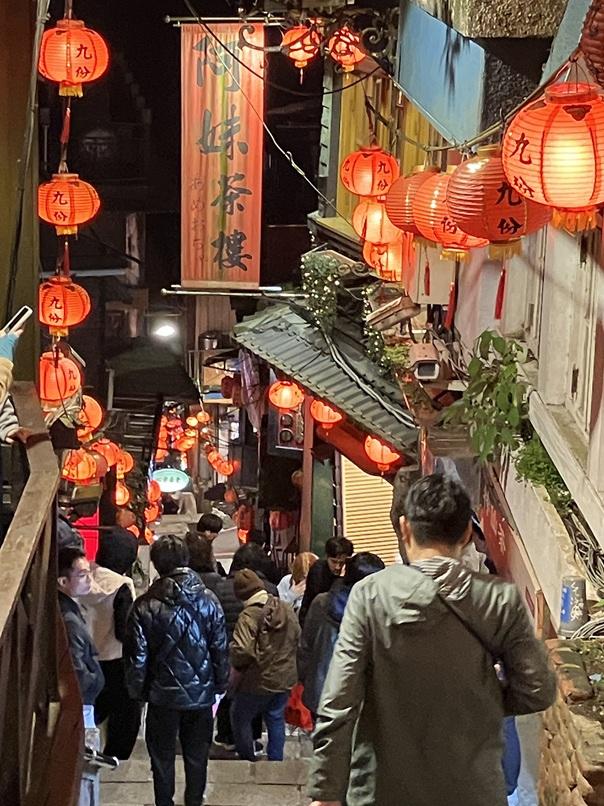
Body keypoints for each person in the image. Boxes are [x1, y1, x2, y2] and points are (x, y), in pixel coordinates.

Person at [307, 474, 557, 806]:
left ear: (405, 528)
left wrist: (326, 791)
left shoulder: (370, 596)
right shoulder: (499, 599)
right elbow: (538, 689)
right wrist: (479, 697)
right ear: (466, 534)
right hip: (472, 790)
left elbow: (339, 702)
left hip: (382, 789)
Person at [124, 535, 229, 806]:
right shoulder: (209, 601)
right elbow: (219, 648)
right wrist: (220, 684)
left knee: (161, 756)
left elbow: (137, 658)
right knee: (197, 755)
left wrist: (138, 692)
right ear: (186, 560)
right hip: (200, 692)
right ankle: (194, 800)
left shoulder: (144, 605)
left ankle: (164, 801)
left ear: (157, 564)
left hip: (161, 695)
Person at [78, 530, 140, 760]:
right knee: (125, 713)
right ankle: (115, 758)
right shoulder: (122, 584)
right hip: (114, 657)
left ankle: (82, 750)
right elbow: (124, 630)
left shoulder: (83, 576)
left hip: (83, 656)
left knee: (89, 709)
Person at [297, 552, 384, 717]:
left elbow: (305, 647)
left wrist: (307, 680)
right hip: (360, 700)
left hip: (321, 692)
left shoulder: (321, 602)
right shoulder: (379, 612)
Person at [230, 569, 300, 762]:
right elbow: (297, 636)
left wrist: (233, 656)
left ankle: (247, 758)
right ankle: (275, 761)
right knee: (275, 718)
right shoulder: (284, 608)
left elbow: (243, 650)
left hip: (257, 680)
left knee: (240, 716)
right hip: (284, 678)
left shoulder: (249, 615)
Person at [299, 536, 354, 625]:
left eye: (341, 563)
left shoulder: (352, 571)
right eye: (334, 562)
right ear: (327, 557)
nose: (337, 567)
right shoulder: (318, 571)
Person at [197, 512, 227, 576]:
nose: (217, 535)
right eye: (216, 532)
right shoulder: (201, 547)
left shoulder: (194, 540)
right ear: (208, 532)